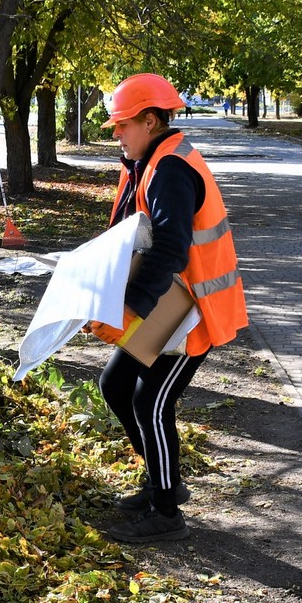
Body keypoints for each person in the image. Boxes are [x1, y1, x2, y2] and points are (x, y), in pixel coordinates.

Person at [87, 73, 248, 543]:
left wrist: (130, 308)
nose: (117, 133)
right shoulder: (150, 161)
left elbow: (170, 251)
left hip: (192, 313)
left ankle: (166, 515)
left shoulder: (171, 170)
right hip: (169, 306)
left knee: (150, 403)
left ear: (151, 120)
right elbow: (127, 234)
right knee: (115, 385)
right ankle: (165, 482)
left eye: (122, 124)